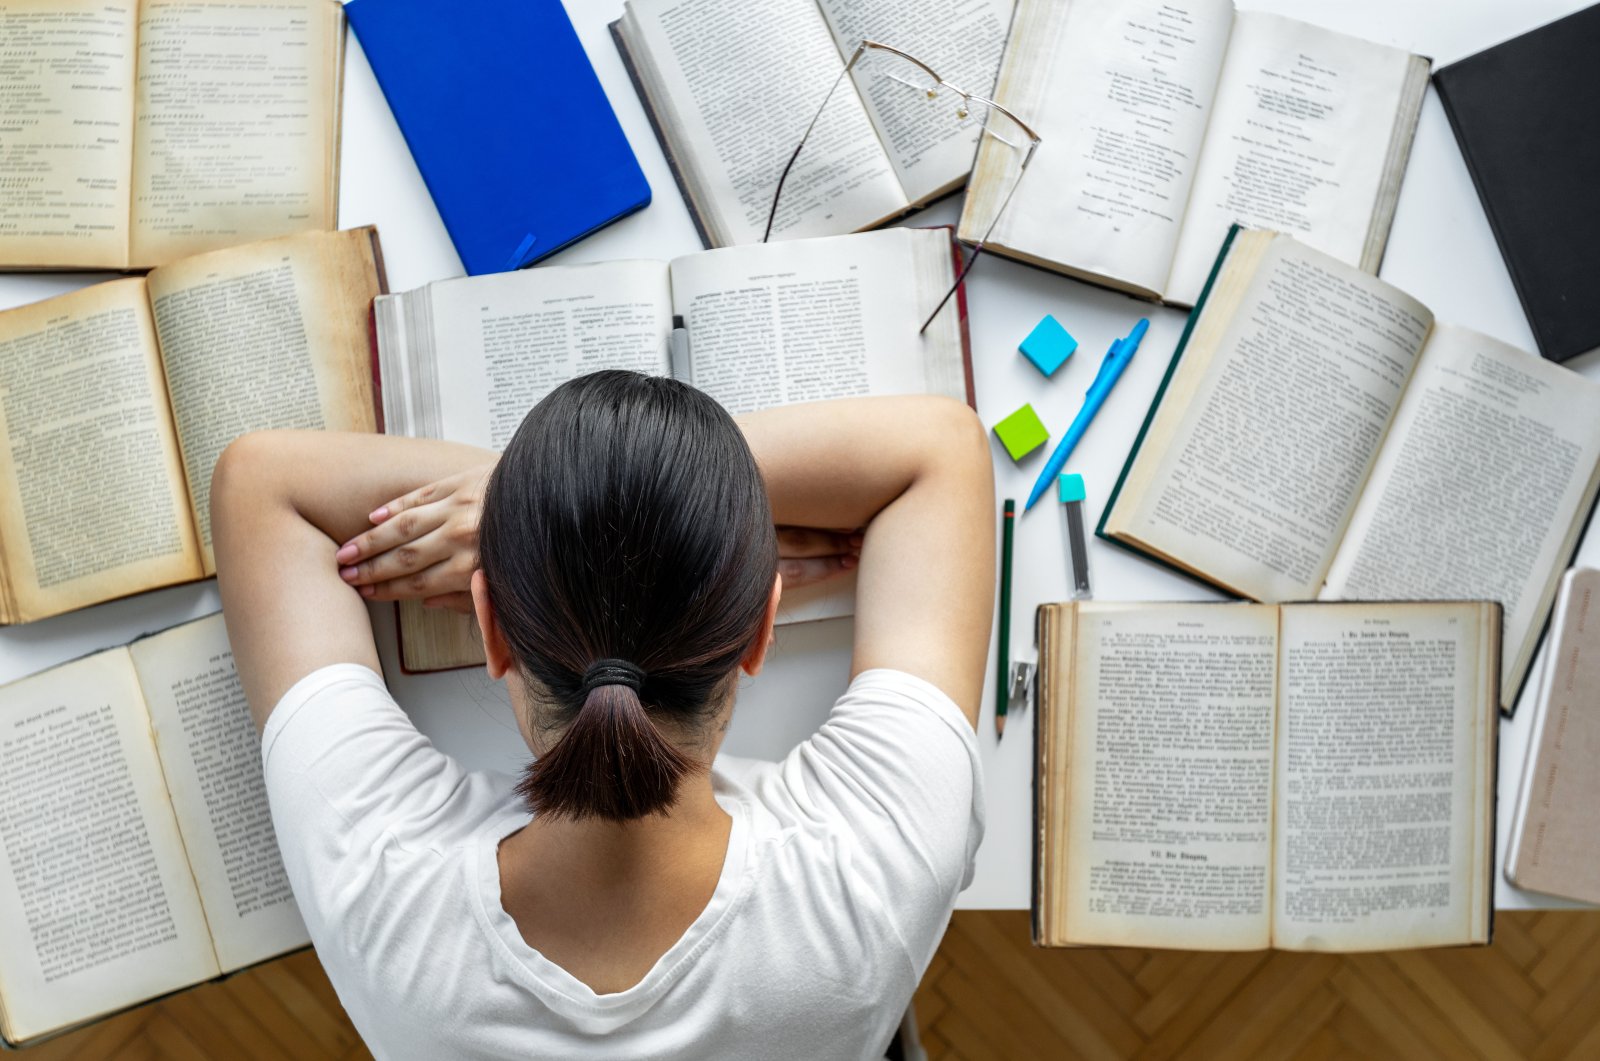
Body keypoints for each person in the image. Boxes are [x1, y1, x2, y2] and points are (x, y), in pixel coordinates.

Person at [211, 371, 994, 1059]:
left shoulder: (384, 898)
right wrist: (654, 503)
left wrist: (543, 507)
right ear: (760, 632)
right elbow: (939, 447)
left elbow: (261, 484)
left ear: (490, 629)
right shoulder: (873, 877)